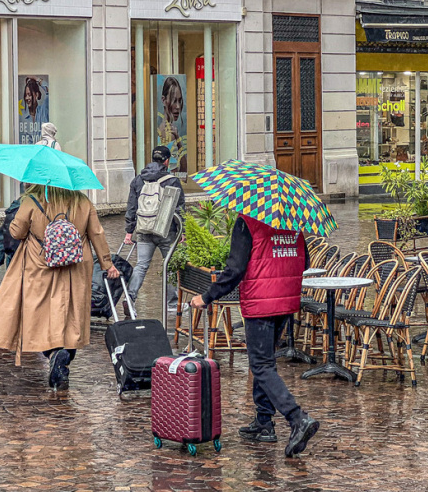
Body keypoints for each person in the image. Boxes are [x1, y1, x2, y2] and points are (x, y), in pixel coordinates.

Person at [189, 214, 319, 458]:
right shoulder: (292, 221)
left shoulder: (246, 222)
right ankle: (264, 421)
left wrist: (207, 296)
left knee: (261, 365)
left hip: (261, 302)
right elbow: (306, 262)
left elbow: (235, 269)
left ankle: (297, 418)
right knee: (265, 362)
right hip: (286, 300)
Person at [0, 184, 120, 391]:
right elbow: (96, 234)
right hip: (77, 264)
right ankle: (66, 351)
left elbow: (17, 232)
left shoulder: (32, 200)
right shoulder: (82, 201)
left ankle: (53, 351)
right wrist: (108, 264)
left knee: (41, 310)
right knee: (72, 310)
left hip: (40, 263)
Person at [124, 146, 185, 316]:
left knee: (141, 265)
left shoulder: (138, 180)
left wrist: (129, 231)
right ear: (166, 161)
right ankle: (172, 304)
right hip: (166, 230)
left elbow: (131, 207)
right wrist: (183, 230)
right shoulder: (172, 180)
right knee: (171, 266)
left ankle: (130, 298)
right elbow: (179, 208)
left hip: (143, 229)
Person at [157, 77, 186, 173]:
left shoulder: (164, 128)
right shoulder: (169, 133)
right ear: (164, 100)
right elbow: (182, 173)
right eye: (174, 101)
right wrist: (178, 141)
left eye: (179, 101)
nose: (177, 107)